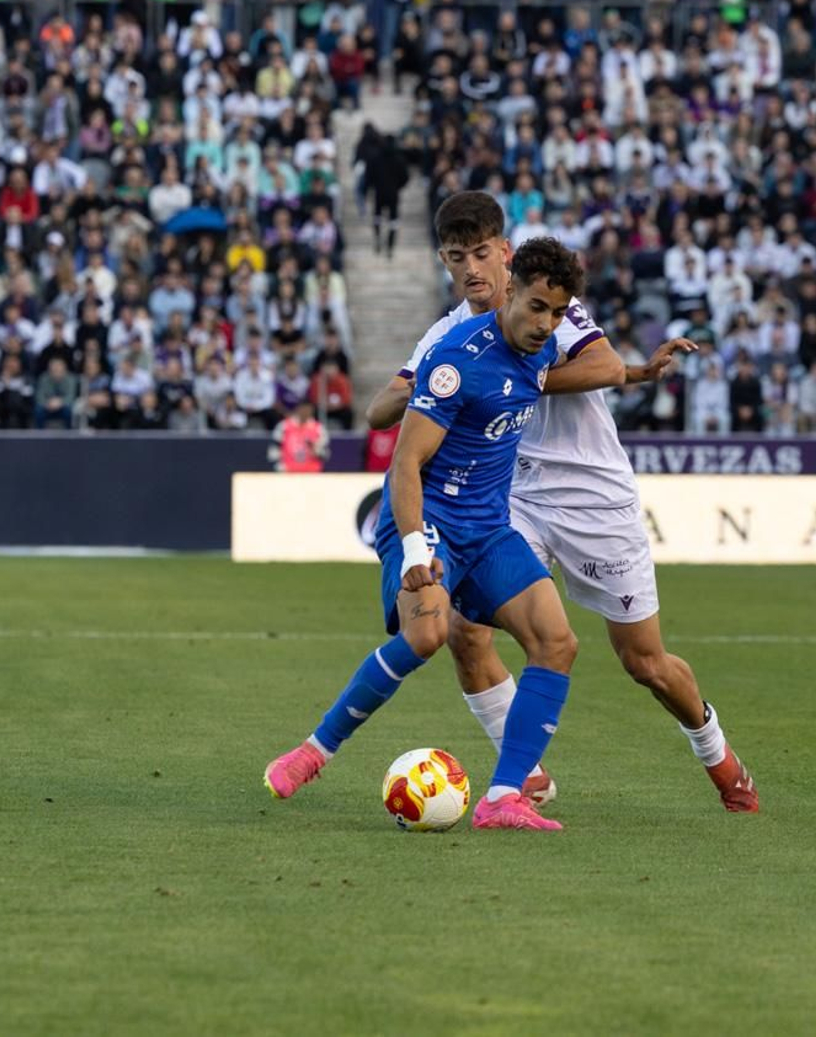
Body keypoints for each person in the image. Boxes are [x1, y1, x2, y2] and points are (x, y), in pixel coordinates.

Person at [363, 192, 760, 814]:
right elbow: (380, 410)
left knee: (645, 662)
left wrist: (521, 373)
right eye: (456, 257)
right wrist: (422, 379)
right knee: (465, 631)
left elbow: (603, 365)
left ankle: (721, 757)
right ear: (444, 261)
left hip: (594, 499)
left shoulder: (552, 306)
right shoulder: (446, 336)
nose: (472, 269)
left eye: (482, 253)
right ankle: (525, 777)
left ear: (506, 253)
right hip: (513, 499)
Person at [264, 237, 587, 832]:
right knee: (428, 633)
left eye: (558, 313)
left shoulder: (541, 354)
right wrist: (416, 546)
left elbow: (579, 371)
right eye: (538, 307)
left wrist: (640, 371)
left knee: (557, 640)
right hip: (427, 518)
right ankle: (314, 752)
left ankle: (503, 797)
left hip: (488, 529)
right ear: (510, 288)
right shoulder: (456, 359)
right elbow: (405, 463)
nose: (547, 324)